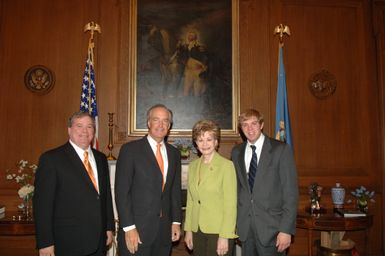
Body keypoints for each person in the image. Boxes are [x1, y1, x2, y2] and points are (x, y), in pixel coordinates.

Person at [33, 111, 114, 256]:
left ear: (94, 131)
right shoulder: (51, 159)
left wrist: (108, 227)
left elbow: (105, 196)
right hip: (68, 242)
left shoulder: (101, 158)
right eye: (79, 126)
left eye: (89, 127)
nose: (85, 131)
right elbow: (42, 205)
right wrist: (45, 242)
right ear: (69, 130)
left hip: (98, 241)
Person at [115, 104, 182, 256]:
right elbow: (121, 192)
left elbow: (174, 192)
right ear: (148, 123)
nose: (161, 125)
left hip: (164, 232)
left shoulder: (174, 153)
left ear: (169, 125)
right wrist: (128, 227)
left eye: (165, 121)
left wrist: (176, 222)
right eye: (156, 120)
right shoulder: (130, 150)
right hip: (136, 231)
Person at [231, 109, 299, 256]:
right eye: (245, 125)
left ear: (261, 125)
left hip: (273, 229)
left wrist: (286, 230)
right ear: (241, 129)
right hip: (246, 228)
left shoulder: (280, 150)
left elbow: (290, 193)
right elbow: (237, 190)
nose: (250, 128)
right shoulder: (236, 152)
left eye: (254, 123)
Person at [184, 119, 237, 256]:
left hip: (219, 231)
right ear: (196, 143)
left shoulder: (227, 166)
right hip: (197, 230)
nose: (205, 144)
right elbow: (191, 201)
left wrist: (225, 235)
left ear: (216, 142)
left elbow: (230, 205)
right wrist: (188, 230)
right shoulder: (193, 166)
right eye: (200, 140)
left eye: (209, 139)